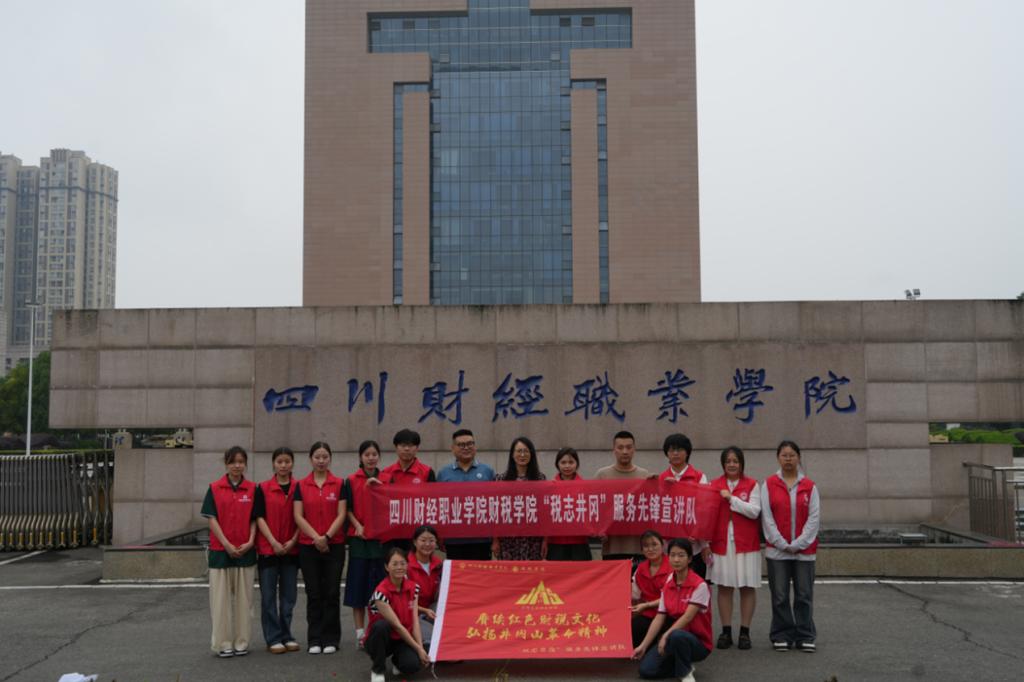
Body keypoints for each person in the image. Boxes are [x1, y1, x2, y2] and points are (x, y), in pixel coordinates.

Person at [761, 440, 820, 652]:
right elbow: (767, 518)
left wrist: (798, 544)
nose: (788, 459)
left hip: (804, 552)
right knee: (780, 595)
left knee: (804, 594)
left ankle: (805, 635)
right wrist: (781, 543)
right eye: (784, 455)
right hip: (777, 551)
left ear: (799, 458)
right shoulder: (768, 484)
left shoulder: (810, 486)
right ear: (778, 458)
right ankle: (782, 634)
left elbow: (814, 519)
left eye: (792, 455)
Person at [201, 445, 257, 658]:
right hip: (220, 552)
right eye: (233, 461)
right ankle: (223, 643)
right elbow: (211, 518)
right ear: (226, 464)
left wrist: (250, 542)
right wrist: (225, 544)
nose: (237, 465)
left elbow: (255, 518)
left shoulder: (252, 489)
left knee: (244, 602)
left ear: (245, 464)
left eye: (241, 461)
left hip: (245, 552)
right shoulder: (214, 488)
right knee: (220, 602)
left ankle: (242, 642)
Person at [632, 539, 713, 682]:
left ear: (689, 559)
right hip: (673, 638)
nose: (676, 560)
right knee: (646, 671)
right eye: (673, 555)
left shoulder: (699, 585)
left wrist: (665, 636)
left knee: (677, 635)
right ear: (668, 557)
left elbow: (687, 618)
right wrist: (643, 646)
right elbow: (660, 616)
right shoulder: (669, 583)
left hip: (697, 643)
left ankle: (685, 672)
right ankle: (682, 664)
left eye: (681, 555)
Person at [294, 441, 348, 655]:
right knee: (314, 593)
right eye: (317, 457)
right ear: (311, 459)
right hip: (308, 546)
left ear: (330, 459)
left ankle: (331, 638)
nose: (321, 461)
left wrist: (326, 537)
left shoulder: (339, 483)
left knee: (332, 592)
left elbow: (342, 514)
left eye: (325, 457)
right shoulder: (301, 485)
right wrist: (316, 538)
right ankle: (315, 638)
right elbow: (298, 516)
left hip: (334, 545)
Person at [707, 446, 761, 651]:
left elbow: (754, 511)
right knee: (724, 587)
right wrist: (705, 544)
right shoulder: (714, 485)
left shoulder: (752, 484)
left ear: (741, 463)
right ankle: (726, 631)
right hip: (721, 543)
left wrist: (731, 498)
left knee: (747, 586)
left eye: (735, 461)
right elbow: (706, 515)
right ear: (723, 464)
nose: (732, 464)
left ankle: (745, 632)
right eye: (728, 461)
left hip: (746, 542)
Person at [254, 446, 301, 654]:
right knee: (268, 596)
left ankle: (286, 634)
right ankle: (273, 637)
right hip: (268, 548)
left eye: (287, 461)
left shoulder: (299, 487)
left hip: (292, 548)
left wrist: (293, 540)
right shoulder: (263, 488)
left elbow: (302, 517)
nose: (283, 465)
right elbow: (259, 517)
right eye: (279, 462)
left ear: (292, 463)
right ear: (273, 464)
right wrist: (273, 542)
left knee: (289, 596)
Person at [344, 440, 389, 648]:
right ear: (360, 457)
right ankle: (360, 634)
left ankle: (376, 630)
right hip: (359, 542)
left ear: (379, 456)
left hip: (380, 542)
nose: (371, 458)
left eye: (374, 454)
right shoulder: (351, 480)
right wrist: (357, 526)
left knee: (379, 591)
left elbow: (391, 505)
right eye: (367, 454)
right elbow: (348, 509)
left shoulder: (387, 478)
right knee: (358, 590)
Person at [363, 547, 430, 682]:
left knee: (413, 665)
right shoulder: (380, 593)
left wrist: (420, 648)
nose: (399, 567)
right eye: (394, 564)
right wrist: (418, 649)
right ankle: (377, 669)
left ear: (407, 565)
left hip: (402, 638)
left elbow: (415, 621)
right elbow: (397, 626)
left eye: (402, 563)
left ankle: (398, 661)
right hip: (382, 639)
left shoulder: (414, 588)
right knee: (381, 626)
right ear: (386, 567)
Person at [436, 429, 495, 560]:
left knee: (481, 572)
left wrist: (495, 538)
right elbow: (439, 506)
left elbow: (494, 505)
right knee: (457, 572)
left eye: (470, 444)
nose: (466, 448)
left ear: (475, 446)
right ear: (453, 448)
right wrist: (440, 535)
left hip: (482, 538)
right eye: (461, 445)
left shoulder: (487, 471)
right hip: (454, 538)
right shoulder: (443, 473)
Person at [658, 433, 710, 578]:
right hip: (669, 546)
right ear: (667, 453)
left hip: (694, 545)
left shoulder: (699, 477)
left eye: (679, 449)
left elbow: (704, 509)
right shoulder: (661, 479)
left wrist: (700, 538)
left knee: (695, 584)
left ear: (687, 452)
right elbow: (658, 511)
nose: (675, 453)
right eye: (671, 450)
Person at [595, 431, 650, 563]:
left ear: (634, 449)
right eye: (620, 447)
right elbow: (594, 508)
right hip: (611, 547)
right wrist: (598, 529)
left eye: (629, 447)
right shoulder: (602, 475)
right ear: (614, 449)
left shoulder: (644, 476)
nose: (625, 451)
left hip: (638, 546)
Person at [381, 429, 436, 553]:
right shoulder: (386, 473)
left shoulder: (427, 472)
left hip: (418, 531)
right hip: (393, 531)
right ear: (396, 448)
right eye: (402, 445)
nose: (406, 449)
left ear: (417, 448)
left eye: (410, 445)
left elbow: (433, 502)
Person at [492, 436, 546, 560]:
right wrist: (495, 539)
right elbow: (496, 513)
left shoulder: (540, 479)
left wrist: (545, 540)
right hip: (507, 540)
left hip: (533, 539)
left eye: (526, 451)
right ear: (512, 454)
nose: (522, 455)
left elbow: (544, 512)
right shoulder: (501, 480)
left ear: (531, 454)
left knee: (531, 570)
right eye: (519, 451)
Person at [546, 447, 592, 561]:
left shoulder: (585, 486)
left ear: (577, 464)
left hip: (579, 541)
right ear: (557, 464)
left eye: (571, 462)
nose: (567, 466)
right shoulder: (550, 487)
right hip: (556, 542)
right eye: (563, 462)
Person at [631, 530, 671, 647]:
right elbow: (634, 594)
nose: (650, 549)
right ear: (642, 550)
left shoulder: (672, 566)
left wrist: (646, 605)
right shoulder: (640, 568)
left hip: (669, 613)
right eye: (646, 546)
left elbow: (670, 598)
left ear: (662, 546)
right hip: (646, 613)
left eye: (654, 544)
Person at [406, 525, 443, 647]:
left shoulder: (439, 564)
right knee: (431, 643)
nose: (427, 544)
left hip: (431, 611)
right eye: (423, 540)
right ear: (414, 542)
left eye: (431, 540)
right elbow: (402, 601)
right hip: (411, 613)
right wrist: (424, 611)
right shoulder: (404, 565)